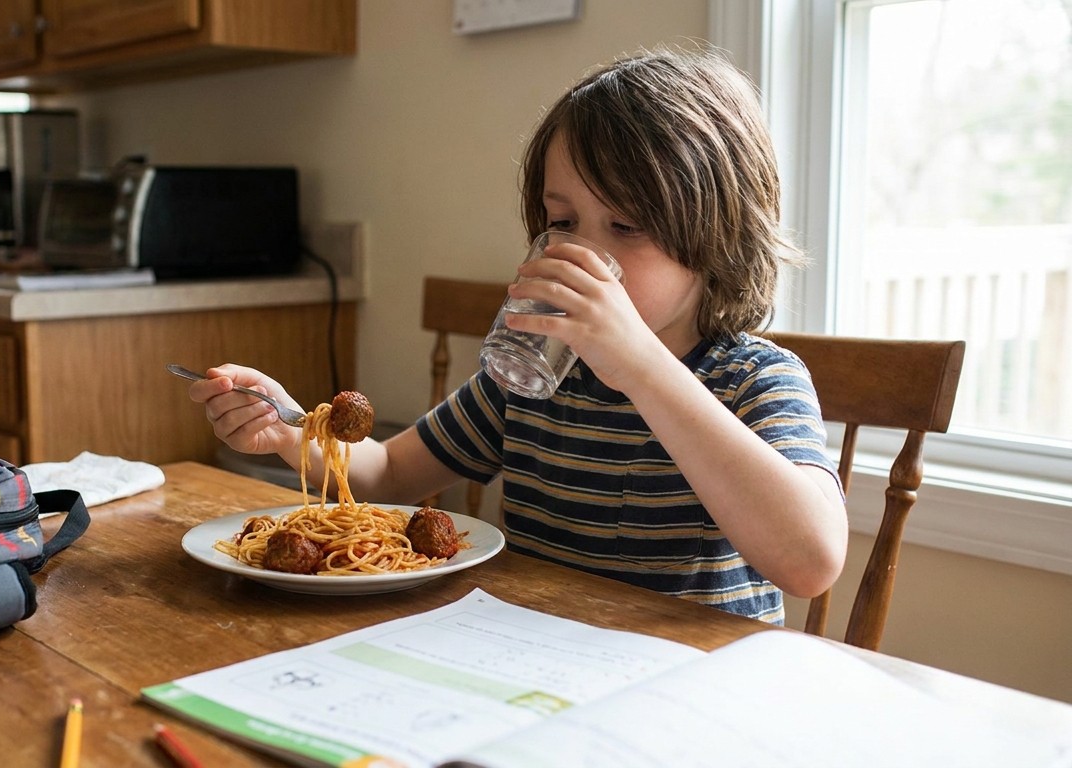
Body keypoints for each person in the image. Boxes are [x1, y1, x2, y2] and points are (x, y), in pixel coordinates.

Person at [186, 48, 847, 624]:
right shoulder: (538, 379)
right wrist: (292, 428)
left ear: (716, 237)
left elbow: (810, 562)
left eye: (626, 227)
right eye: (563, 220)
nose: (580, 253)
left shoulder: (755, 379)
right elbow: (392, 473)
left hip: (691, 696)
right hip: (536, 666)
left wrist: (643, 367)